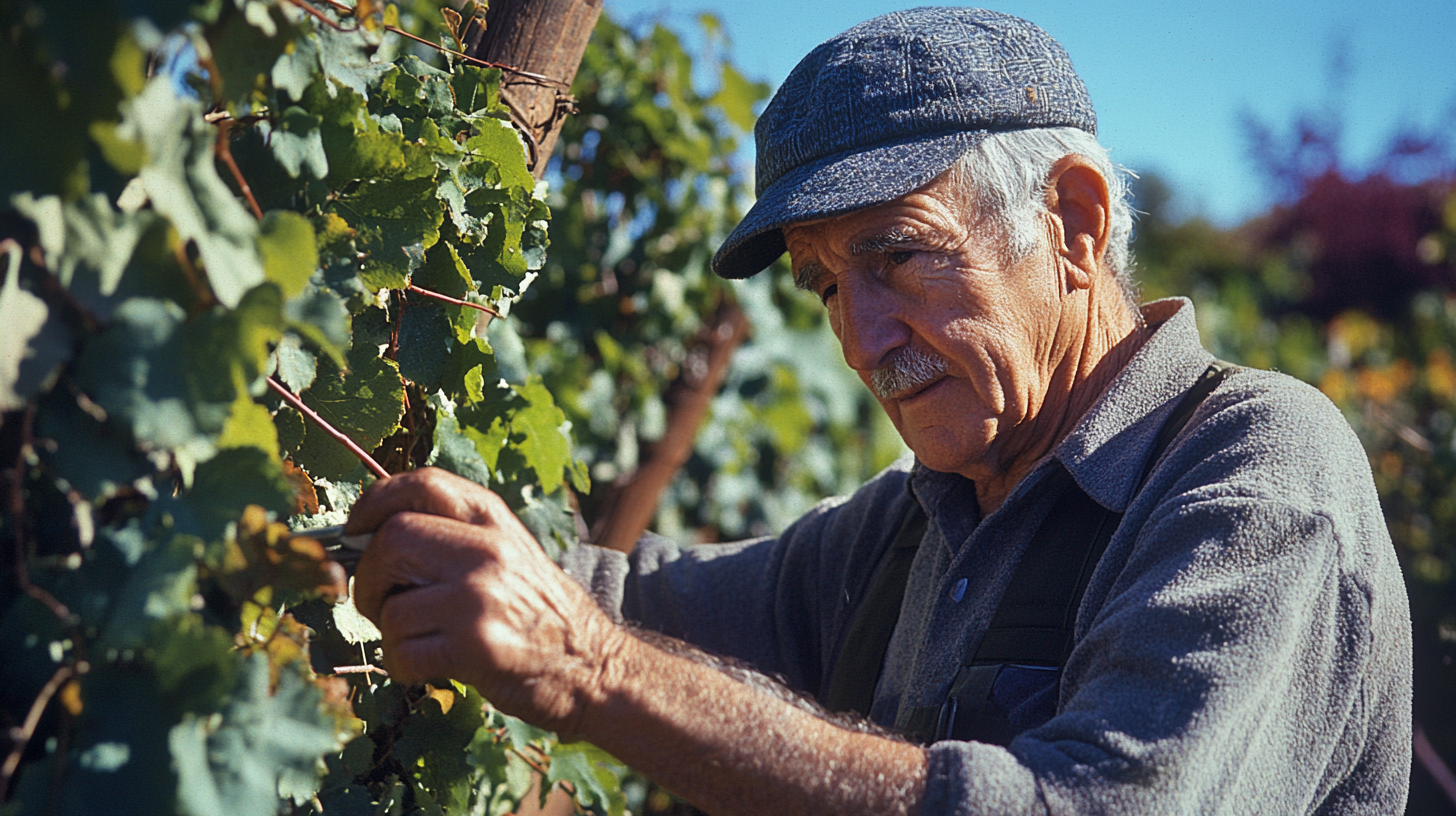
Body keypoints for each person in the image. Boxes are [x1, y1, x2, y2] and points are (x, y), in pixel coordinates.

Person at [348, 8, 1412, 814]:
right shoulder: (919, 525)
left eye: (895, 256)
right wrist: (371, 534)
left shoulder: (1257, 468)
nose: (861, 338)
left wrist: (589, 669)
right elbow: (631, 599)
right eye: (822, 287)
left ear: (1075, 225)